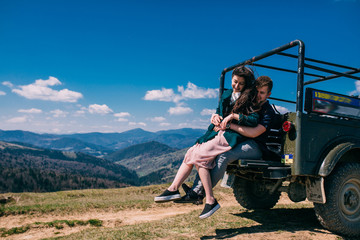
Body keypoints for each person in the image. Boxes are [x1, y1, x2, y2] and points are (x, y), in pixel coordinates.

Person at [154, 66, 260, 219]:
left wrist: (234, 117)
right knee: (192, 152)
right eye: (235, 82)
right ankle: (174, 188)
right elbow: (219, 110)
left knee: (200, 155)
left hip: (231, 134)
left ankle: (209, 199)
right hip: (217, 131)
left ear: (246, 84)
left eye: (241, 84)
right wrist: (215, 116)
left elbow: (253, 120)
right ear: (232, 79)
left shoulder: (250, 98)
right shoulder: (227, 94)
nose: (236, 86)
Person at [175, 76, 274, 205]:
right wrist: (216, 115)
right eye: (256, 91)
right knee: (210, 152)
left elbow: (254, 133)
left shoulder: (267, 111)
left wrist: (229, 125)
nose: (258, 95)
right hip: (242, 140)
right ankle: (195, 190)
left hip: (256, 146)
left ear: (268, 94)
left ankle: (198, 192)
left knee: (224, 155)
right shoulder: (250, 104)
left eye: (262, 93)